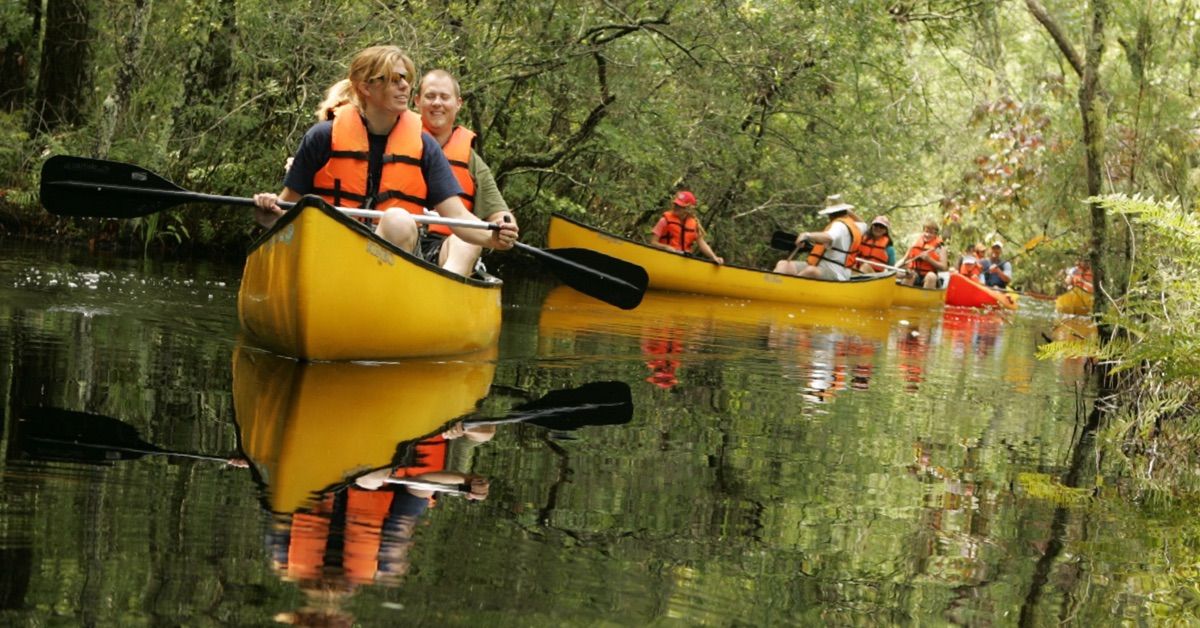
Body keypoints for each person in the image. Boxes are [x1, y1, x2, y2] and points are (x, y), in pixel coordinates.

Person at [252, 45, 518, 278]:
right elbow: (286, 207)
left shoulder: (424, 146)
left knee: (397, 220)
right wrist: (269, 214)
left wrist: (493, 237)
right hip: (330, 257)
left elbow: (458, 217)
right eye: (394, 79)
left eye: (406, 79)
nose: (405, 85)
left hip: (388, 276)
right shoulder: (322, 137)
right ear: (365, 87)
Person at [413, 69, 516, 273]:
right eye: (430, 96)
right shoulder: (394, 144)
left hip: (445, 248)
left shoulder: (471, 161)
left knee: (468, 240)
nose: (437, 103)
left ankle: (443, 293)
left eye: (444, 97)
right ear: (417, 101)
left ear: (458, 103)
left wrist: (505, 226)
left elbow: (500, 212)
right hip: (403, 240)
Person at [772, 194, 864, 280]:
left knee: (810, 271)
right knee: (783, 264)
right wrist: (847, 210)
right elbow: (863, 223)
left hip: (837, 273)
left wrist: (807, 235)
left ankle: (785, 290)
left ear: (830, 213)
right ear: (845, 211)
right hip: (820, 266)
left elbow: (828, 237)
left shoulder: (839, 225)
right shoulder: (857, 226)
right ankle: (773, 287)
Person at [648, 190, 724, 264]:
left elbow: (702, 243)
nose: (676, 207)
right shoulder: (664, 221)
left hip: (683, 262)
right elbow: (653, 242)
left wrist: (714, 257)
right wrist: (666, 247)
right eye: (676, 204)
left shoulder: (694, 224)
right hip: (664, 258)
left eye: (680, 206)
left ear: (688, 209)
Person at [898, 220, 947, 289]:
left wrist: (929, 259)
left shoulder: (940, 248)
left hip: (930, 276)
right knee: (909, 274)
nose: (927, 235)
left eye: (931, 233)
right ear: (923, 231)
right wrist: (893, 269)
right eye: (926, 231)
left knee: (931, 276)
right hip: (916, 274)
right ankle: (903, 297)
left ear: (936, 234)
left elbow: (944, 267)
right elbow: (904, 259)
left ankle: (926, 298)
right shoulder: (914, 244)